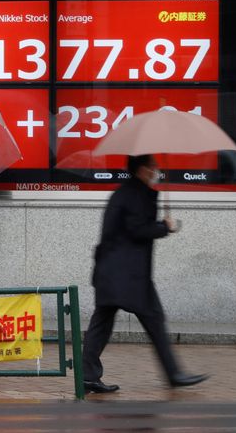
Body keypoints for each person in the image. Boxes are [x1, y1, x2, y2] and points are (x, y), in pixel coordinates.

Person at [82, 154, 209, 393]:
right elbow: (137, 229)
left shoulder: (124, 193)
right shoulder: (135, 194)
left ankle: (88, 376)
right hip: (128, 276)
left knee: (101, 325)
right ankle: (174, 374)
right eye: (152, 167)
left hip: (111, 272)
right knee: (154, 320)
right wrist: (165, 226)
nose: (156, 170)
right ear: (141, 169)